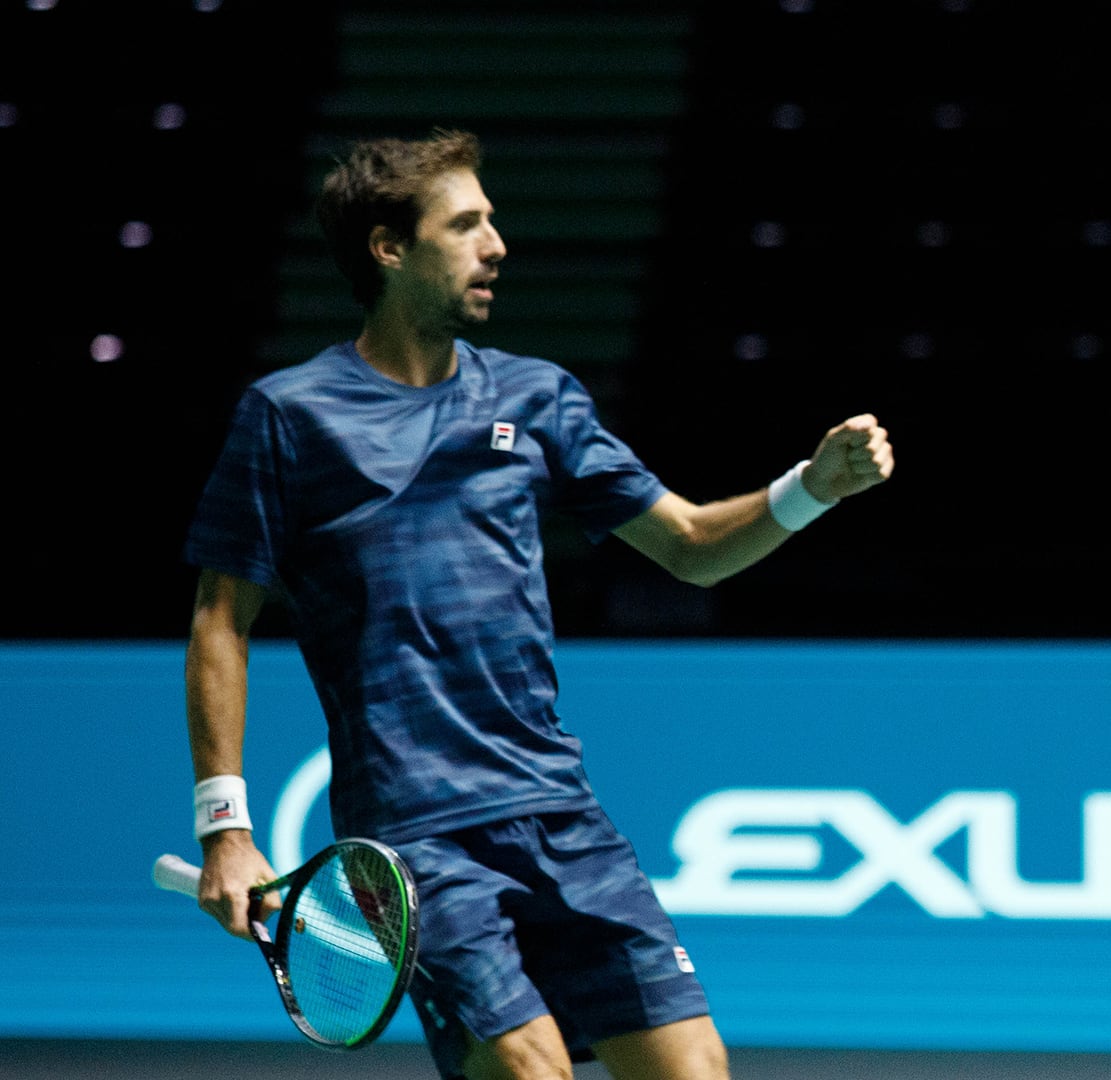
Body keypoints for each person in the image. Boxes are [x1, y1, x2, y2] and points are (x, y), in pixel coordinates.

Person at [182, 128, 893, 1079]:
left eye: (494, 221)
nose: (498, 244)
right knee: (531, 1069)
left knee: (695, 1071)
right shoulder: (292, 414)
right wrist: (225, 827)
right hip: (413, 833)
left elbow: (689, 549)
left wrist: (812, 486)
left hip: (561, 814)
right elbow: (221, 622)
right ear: (391, 248)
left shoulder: (537, 397)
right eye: (466, 223)